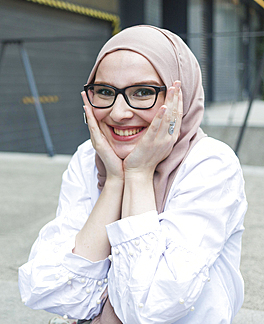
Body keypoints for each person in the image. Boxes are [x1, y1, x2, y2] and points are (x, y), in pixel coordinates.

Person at [19, 25, 247, 324]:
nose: (118, 113)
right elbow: (53, 292)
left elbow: (149, 308)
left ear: (181, 96)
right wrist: (115, 181)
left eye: (142, 92)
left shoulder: (210, 164)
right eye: (104, 92)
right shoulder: (90, 158)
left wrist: (138, 174)